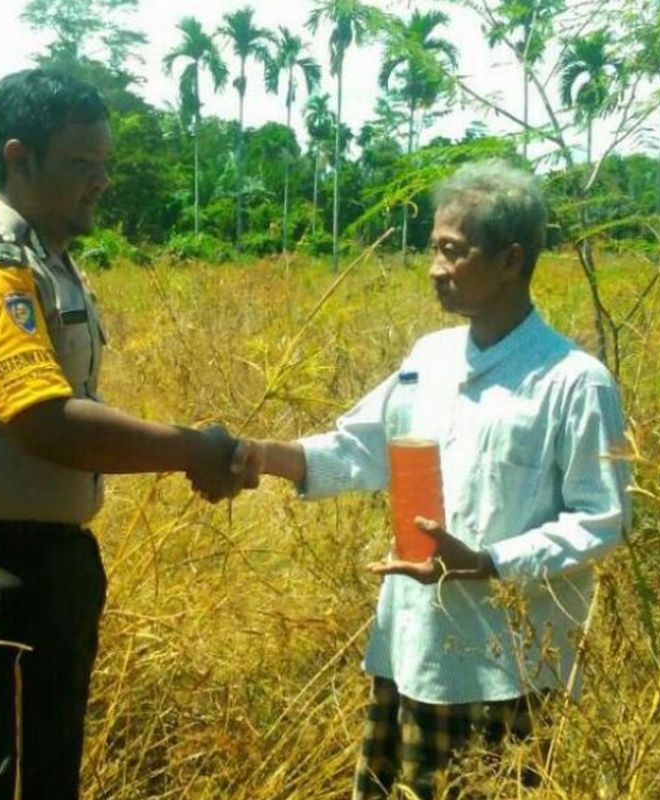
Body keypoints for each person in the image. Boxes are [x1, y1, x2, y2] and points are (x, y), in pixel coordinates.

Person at [237, 159, 632, 798]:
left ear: (510, 260)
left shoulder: (572, 381)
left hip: (508, 672)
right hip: (410, 650)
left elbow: (603, 517)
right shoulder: (431, 358)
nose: (434, 268)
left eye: (453, 252)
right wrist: (263, 455)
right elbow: (362, 449)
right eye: (433, 248)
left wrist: (488, 561)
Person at [0, 68, 246, 800]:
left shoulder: (48, 263)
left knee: (46, 772)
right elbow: (43, 420)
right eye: (79, 165)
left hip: (44, 563)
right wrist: (191, 447)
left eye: (105, 165)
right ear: (17, 157)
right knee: (23, 780)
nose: (99, 182)